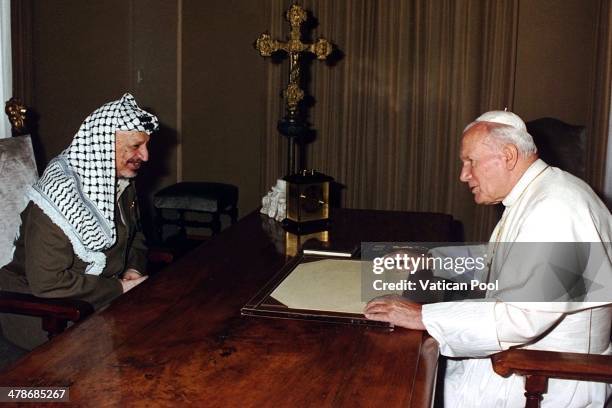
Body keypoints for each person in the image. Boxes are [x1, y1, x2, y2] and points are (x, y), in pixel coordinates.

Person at [364, 111, 612, 407]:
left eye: (471, 161)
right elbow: (505, 262)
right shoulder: (543, 192)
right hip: (519, 359)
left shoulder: (557, 207)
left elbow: (523, 317)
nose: (463, 175)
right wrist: (429, 259)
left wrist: (421, 316)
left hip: (544, 378)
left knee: (392, 387)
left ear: (507, 155)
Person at [0, 93, 158, 350]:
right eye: (135, 146)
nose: (146, 156)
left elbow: (135, 236)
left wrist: (134, 269)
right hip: (44, 312)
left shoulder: (121, 181)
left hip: (99, 293)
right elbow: (48, 283)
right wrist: (118, 288)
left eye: (146, 145)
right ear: (103, 145)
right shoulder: (57, 197)